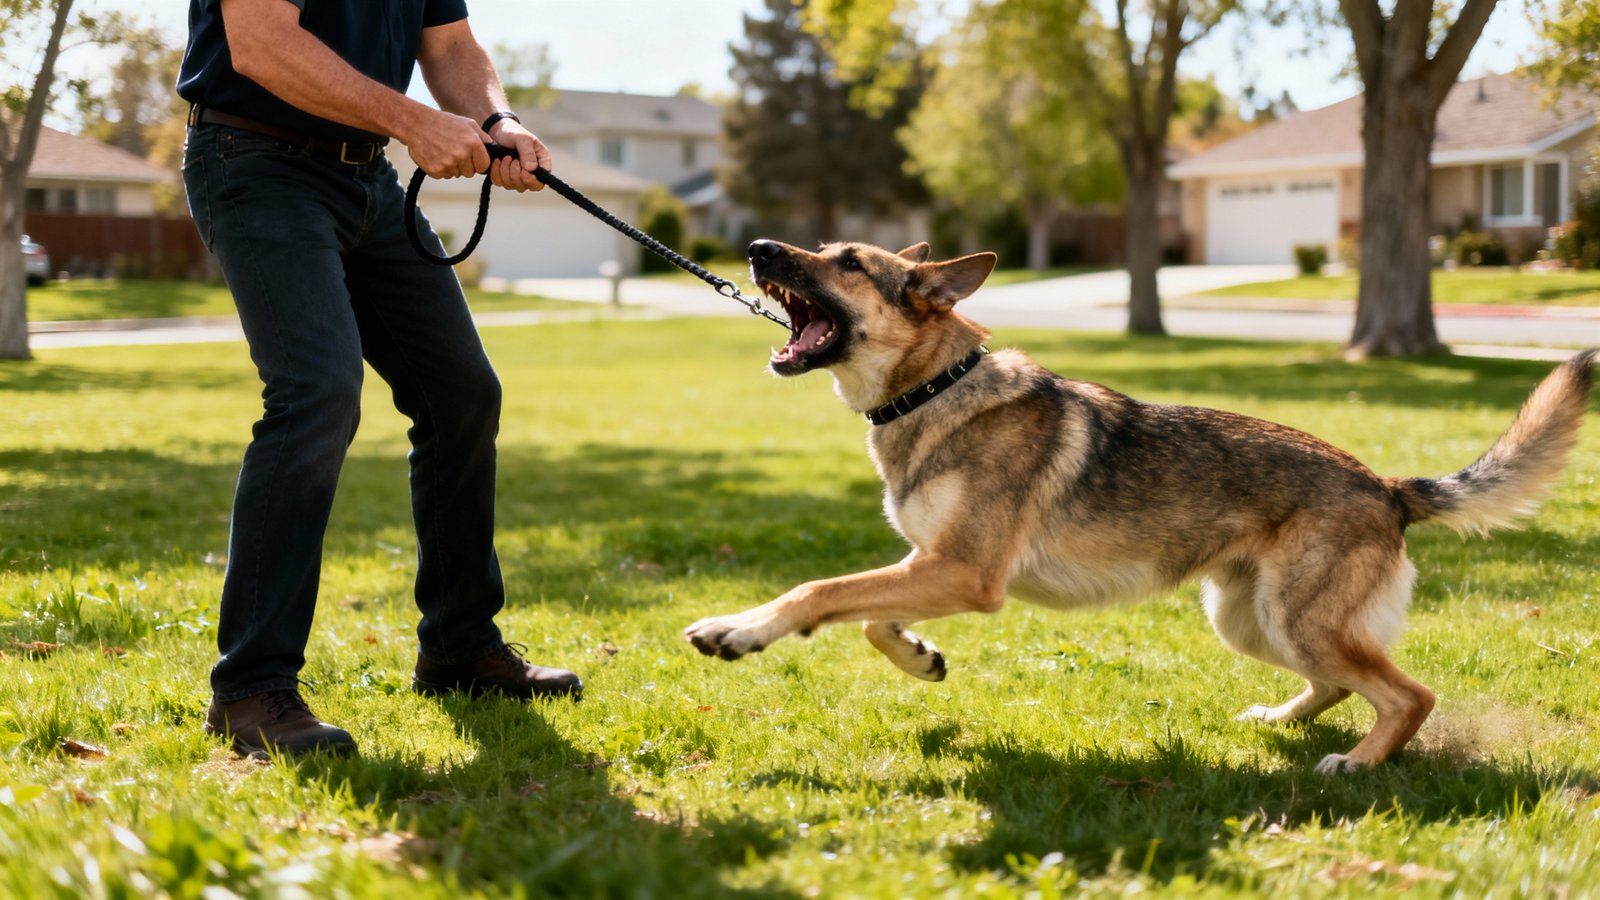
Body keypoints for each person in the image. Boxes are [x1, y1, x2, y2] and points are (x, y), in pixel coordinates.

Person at [177, 0, 581, 760]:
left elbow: (453, 47)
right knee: (316, 394)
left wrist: (496, 121)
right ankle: (252, 689)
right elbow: (262, 44)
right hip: (255, 163)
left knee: (461, 394)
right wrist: (414, 121)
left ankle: (460, 650)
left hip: (368, 183)